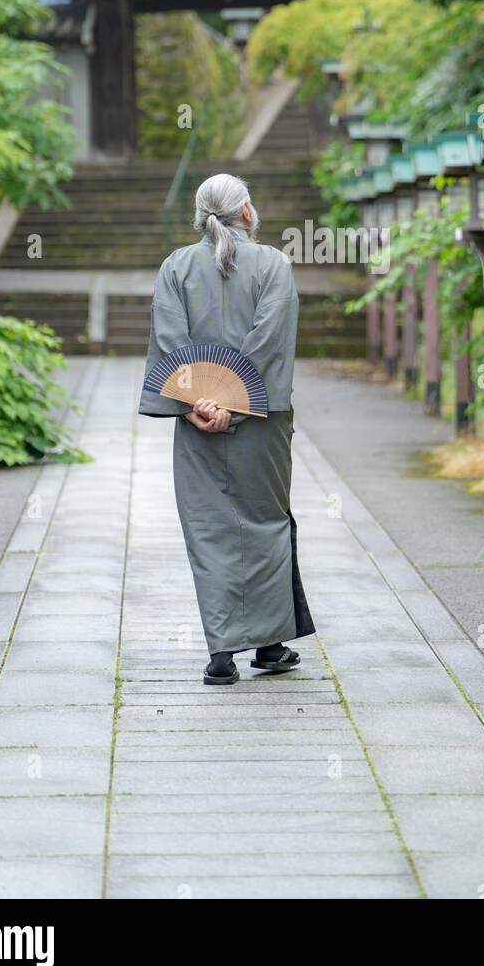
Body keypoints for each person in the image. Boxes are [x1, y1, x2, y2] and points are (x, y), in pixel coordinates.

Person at [138, 173, 315, 686]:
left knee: (210, 531)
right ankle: (269, 645)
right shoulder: (274, 265)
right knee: (264, 522)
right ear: (246, 213)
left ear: (201, 216)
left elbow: (171, 340)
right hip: (260, 424)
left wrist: (196, 404)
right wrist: (233, 406)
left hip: (194, 422)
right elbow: (270, 340)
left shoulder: (176, 267)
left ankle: (222, 655)